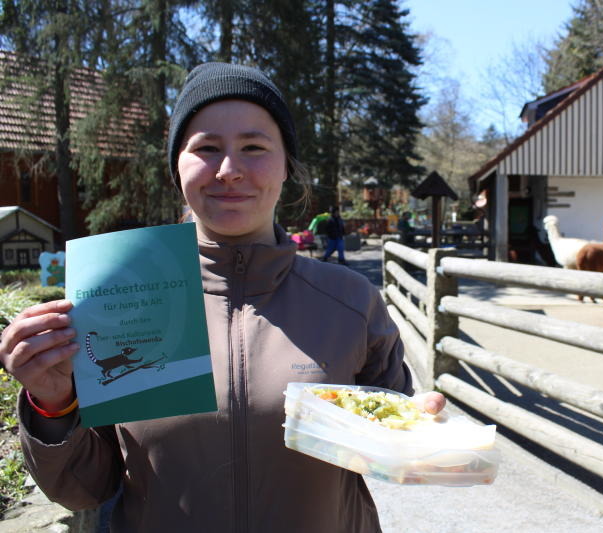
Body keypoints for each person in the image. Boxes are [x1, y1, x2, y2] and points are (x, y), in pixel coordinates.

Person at [0, 62, 444, 532]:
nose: (229, 170)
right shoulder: (116, 300)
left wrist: (420, 433)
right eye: (207, 148)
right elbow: (85, 488)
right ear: (177, 166)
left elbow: (392, 449)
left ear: (286, 165)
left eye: (254, 147)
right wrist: (53, 405)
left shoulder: (350, 302)